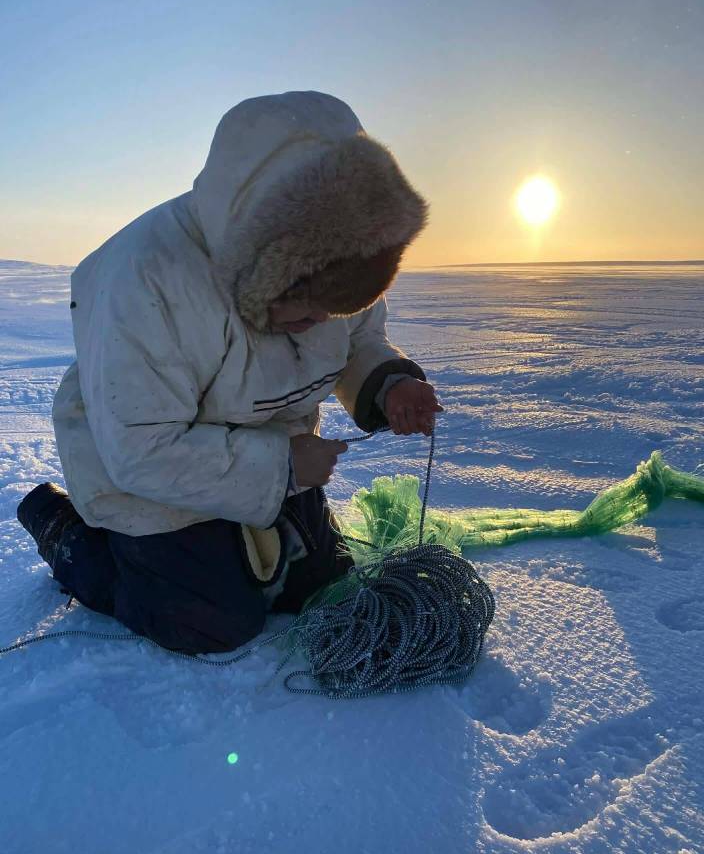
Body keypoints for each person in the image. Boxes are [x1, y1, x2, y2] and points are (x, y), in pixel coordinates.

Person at [17, 91, 442, 655]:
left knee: (320, 585)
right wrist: (285, 466)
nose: (321, 324)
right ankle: (66, 533)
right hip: (142, 471)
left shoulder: (342, 255)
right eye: (310, 307)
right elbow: (141, 448)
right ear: (271, 266)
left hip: (264, 450)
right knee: (212, 621)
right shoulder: (145, 277)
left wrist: (388, 384)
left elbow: (359, 338)